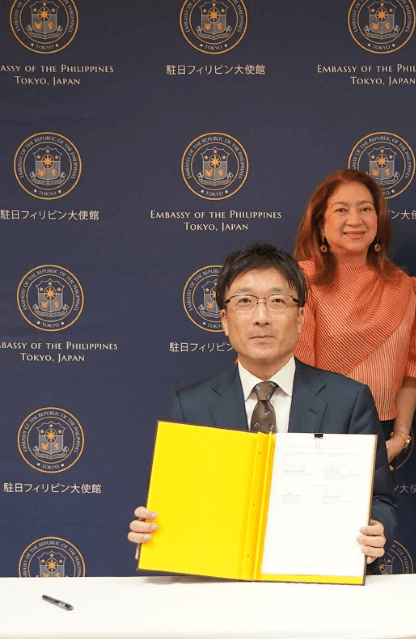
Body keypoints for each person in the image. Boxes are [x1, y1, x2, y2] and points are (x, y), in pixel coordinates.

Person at [128, 242, 396, 564]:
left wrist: (378, 528)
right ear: (225, 320)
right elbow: (173, 506)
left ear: (300, 318)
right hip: (220, 581)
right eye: (245, 302)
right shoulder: (189, 407)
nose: (261, 317)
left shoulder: (348, 400)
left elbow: (379, 498)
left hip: (319, 577)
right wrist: (155, 530)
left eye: (277, 301)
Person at [293, 169, 416, 465]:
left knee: (376, 514)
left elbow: (412, 371)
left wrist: (399, 438)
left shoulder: (408, 288)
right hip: (313, 435)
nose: (355, 220)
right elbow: (294, 373)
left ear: (378, 222)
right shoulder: (300, 282)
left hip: (379, 438)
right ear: (321, 224)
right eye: (341, 210)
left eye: (366, 209)